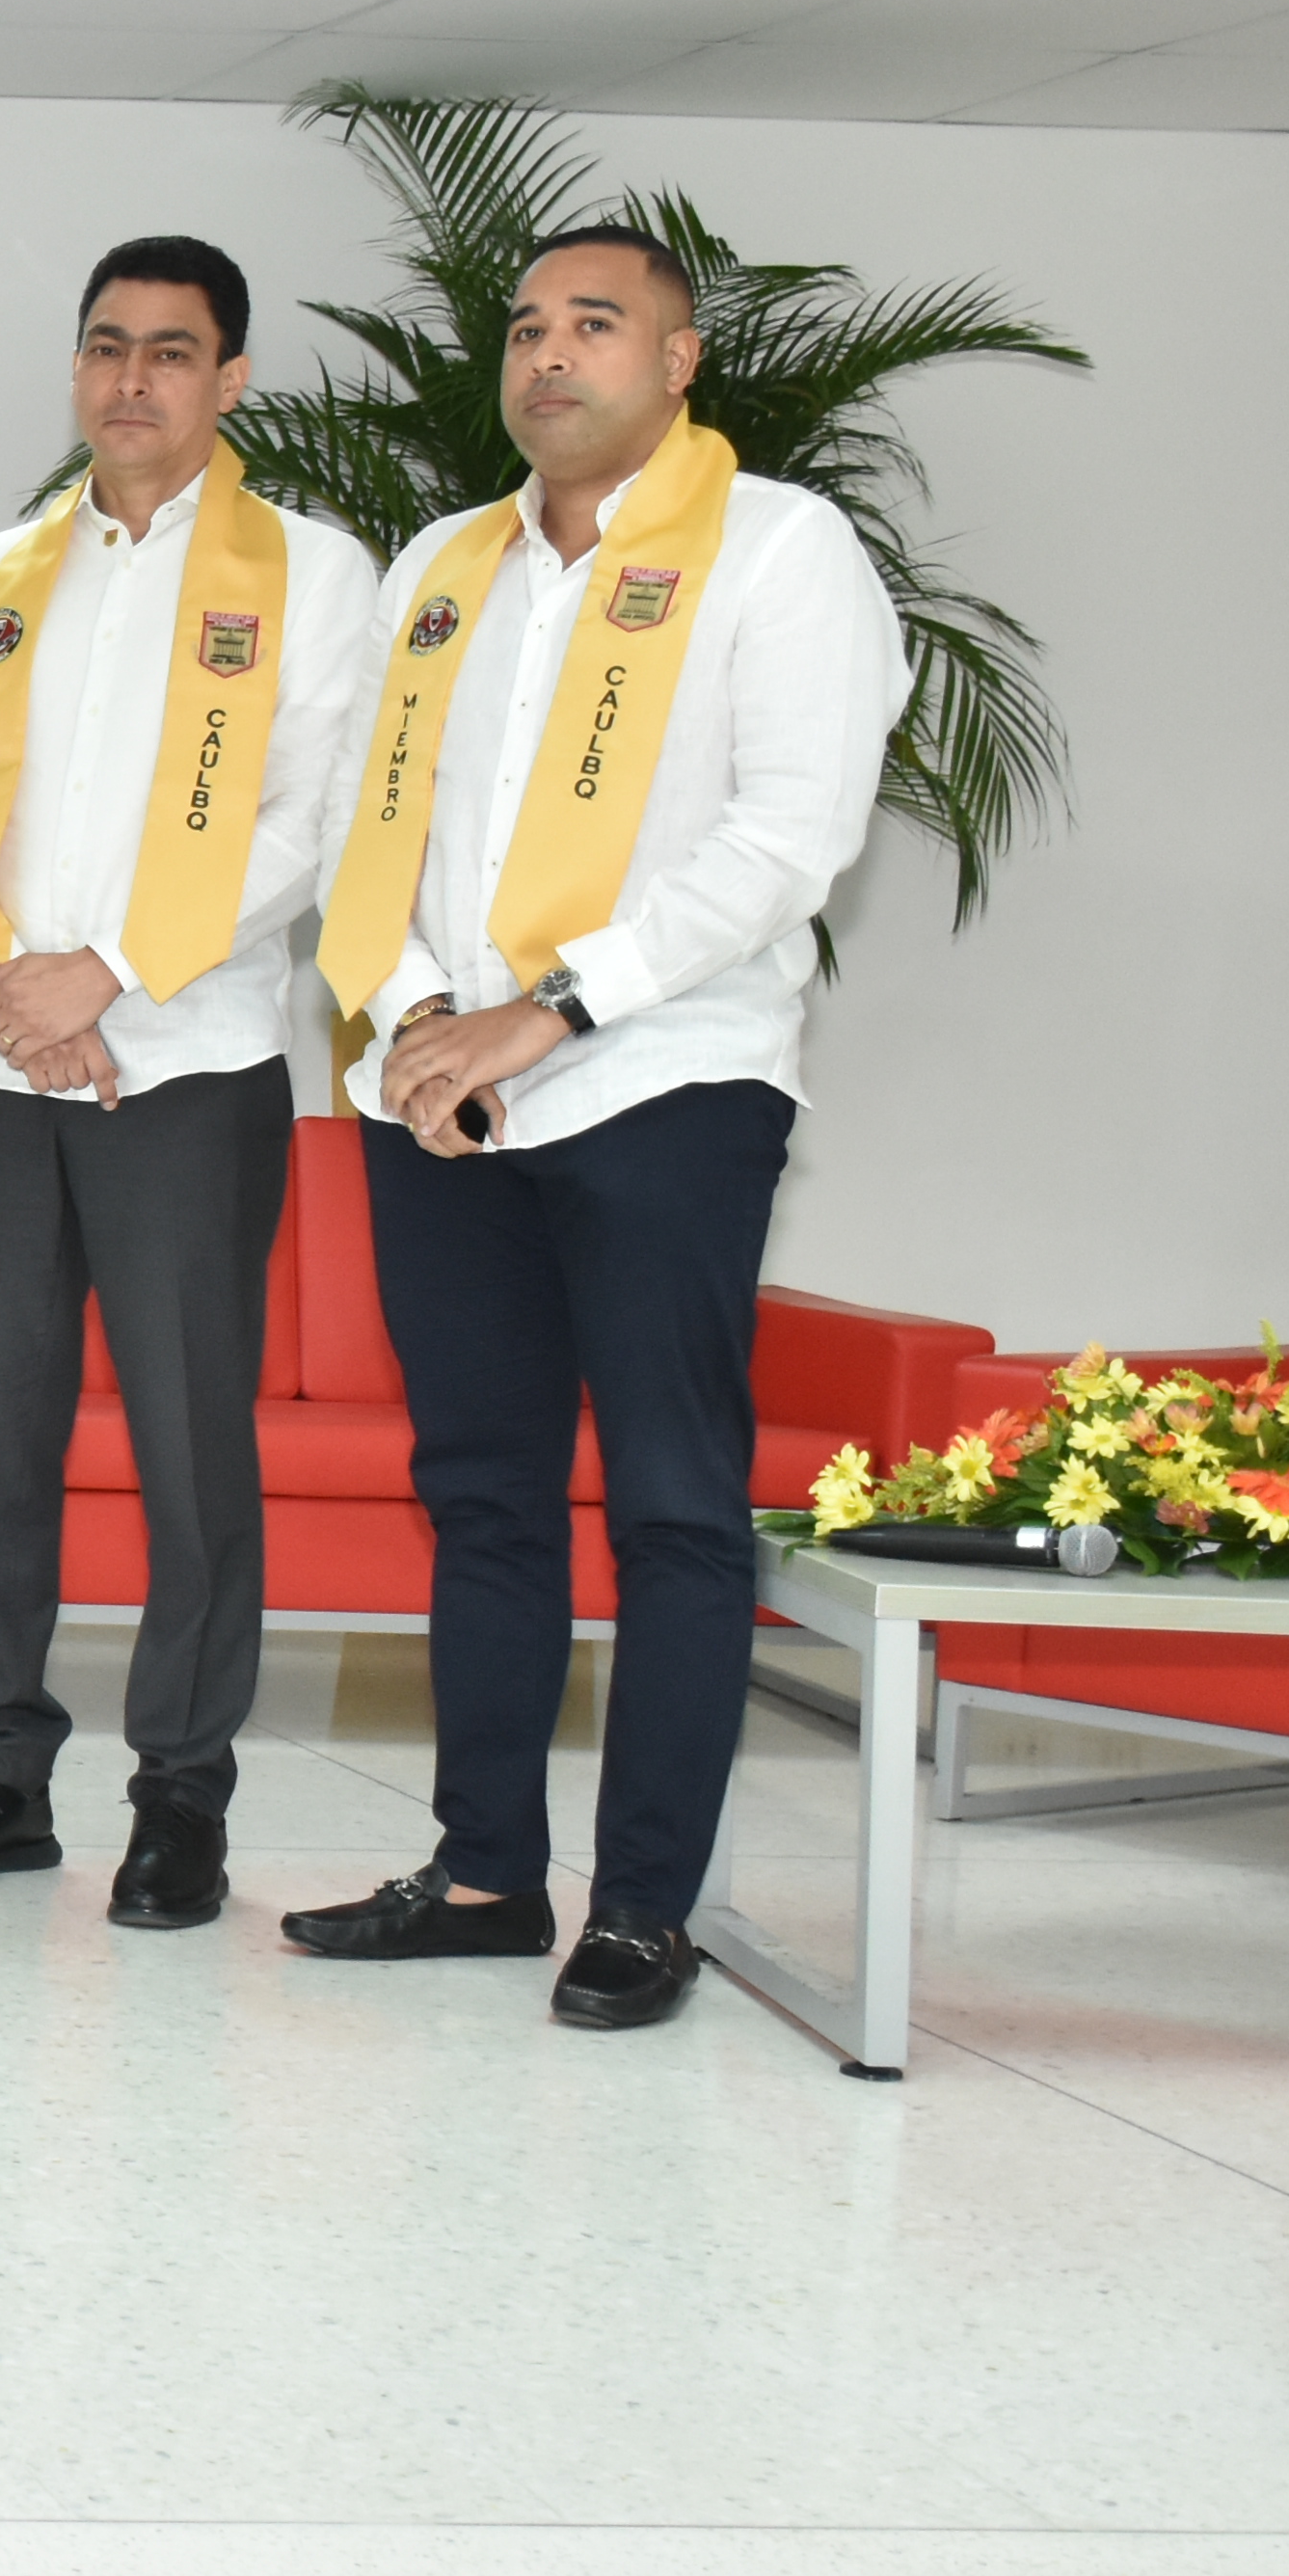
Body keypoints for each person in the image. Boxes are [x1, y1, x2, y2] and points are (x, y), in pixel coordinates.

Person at [284, 225, 899, 2032]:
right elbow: (369, 825)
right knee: (479, 1496)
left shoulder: (779, 548)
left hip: (661, 1086)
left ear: (682, 356)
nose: (551, 356)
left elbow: (788, 838)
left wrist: (546, 1012)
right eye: (529, 327)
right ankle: (484, 1872)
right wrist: (414, 1020)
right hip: (447, 1096)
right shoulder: (443, 562)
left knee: (675, 1512)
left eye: (597, 326)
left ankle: (644, 1908)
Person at [0, 237, 376, 1932]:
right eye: (105, 346)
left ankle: (182, 1797)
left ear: (231, 381)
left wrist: (113, 978)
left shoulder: (309, 572)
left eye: (171, 352)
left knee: (184, 1446)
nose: (131, 380)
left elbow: (311, 818)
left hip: (190, 1067)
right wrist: (6, 993)